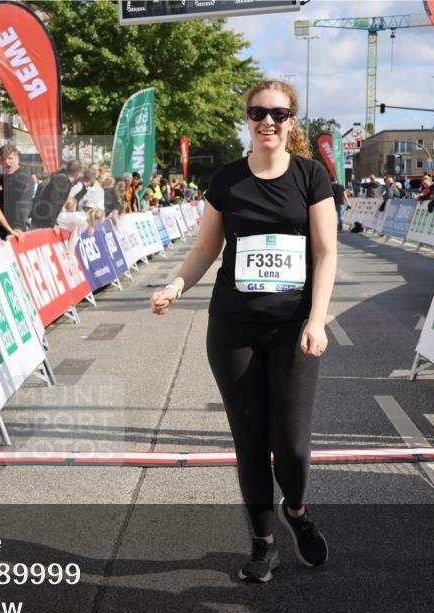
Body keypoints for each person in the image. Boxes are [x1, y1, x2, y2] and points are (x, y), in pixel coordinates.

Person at [150, 79, 336, 583]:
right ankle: (263, 541)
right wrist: (175, 285)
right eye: (258, 113)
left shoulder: (311, 177)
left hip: (294, 329)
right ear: (248, 120)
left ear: (292, 120)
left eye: (278, 113)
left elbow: (325, 252)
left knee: (292, 444)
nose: (268, 121)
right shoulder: (227, 180)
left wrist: (317, 319)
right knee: (250, 439)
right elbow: (205, 249)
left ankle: (295, 512)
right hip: (233, 328)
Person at [29, 159, 81, 229]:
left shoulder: (62, 178)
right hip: (42, 223)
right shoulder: (62, 180)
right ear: (77, 172)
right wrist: (52, 224)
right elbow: (53, 202)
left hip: (42, 221)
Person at [0, 143, 34, 232]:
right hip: (2, 226)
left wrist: (19, 226)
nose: (6, 162)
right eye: (4, 159)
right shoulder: (3, 178)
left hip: (14, 228)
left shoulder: (23, 177)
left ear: (17, 159)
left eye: (10, 158)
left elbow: (24, 202)